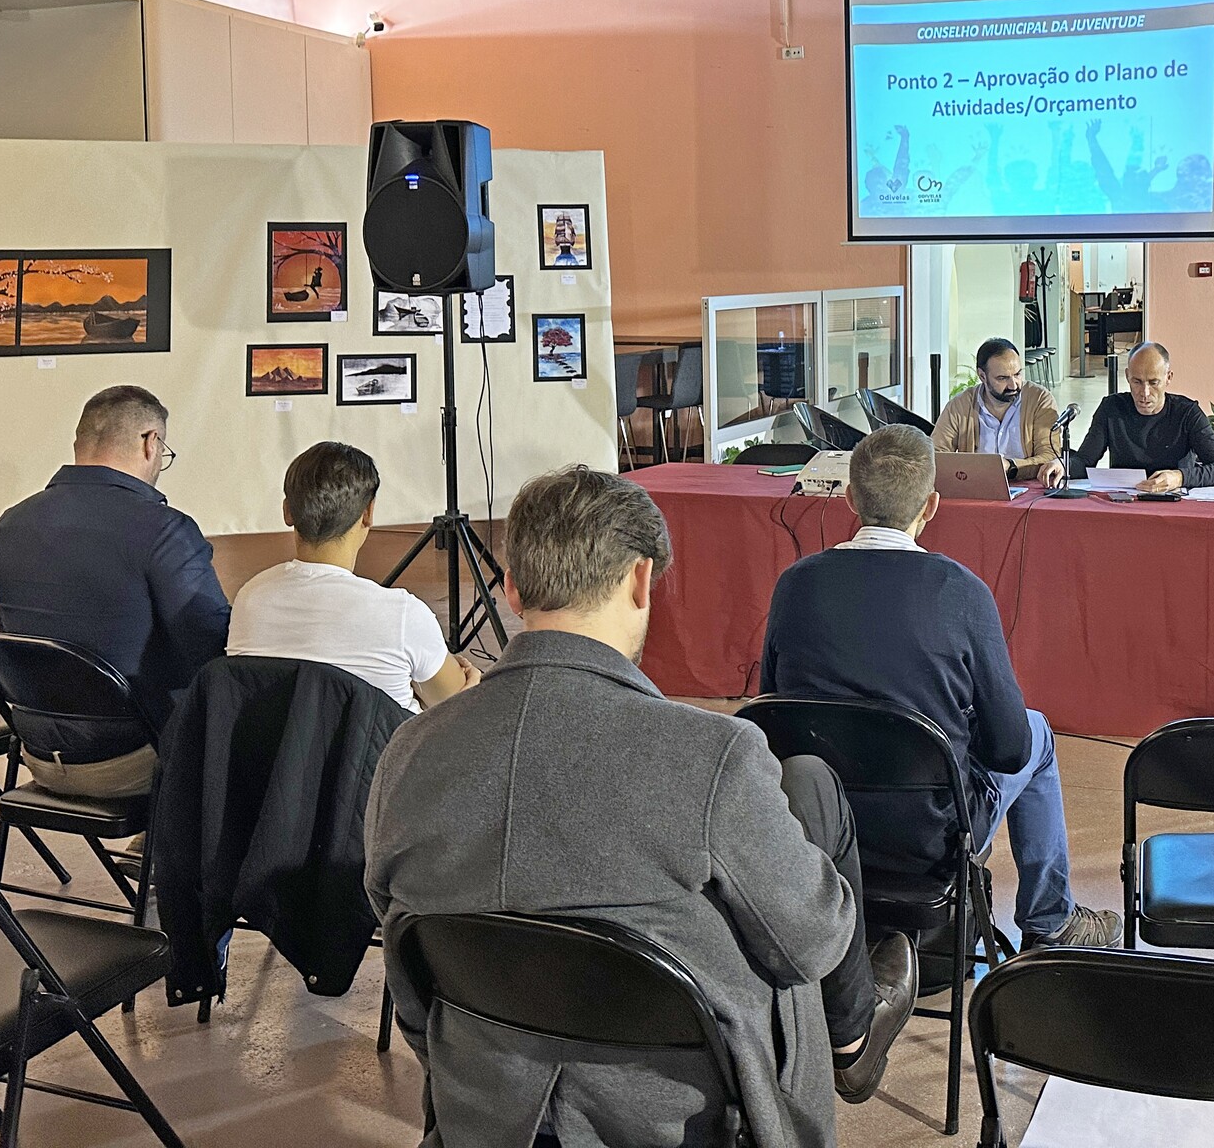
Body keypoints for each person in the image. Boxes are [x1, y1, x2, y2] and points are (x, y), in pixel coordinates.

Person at [365, 465, 917, 1148]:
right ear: (639, 579)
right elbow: (814, 940)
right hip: (684, 1117)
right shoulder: (714, 755)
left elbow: (403, 941)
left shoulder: (408, 752)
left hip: (481, 1104)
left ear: (512, 589)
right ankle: (854, 1039)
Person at [761, 426, 1119, 952]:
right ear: (931, 505)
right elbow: (1010, 748)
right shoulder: (961, 591)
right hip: (930, 834)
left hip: (816, 820)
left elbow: (774, 718)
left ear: (850, 498)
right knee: (1037, 734)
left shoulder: (794, 583)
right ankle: (1050, 921)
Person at [0, 385, 228, 794]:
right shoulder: (164, 531)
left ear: (80, 443)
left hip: (36, 754)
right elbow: (212, 646)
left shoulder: (6, 526)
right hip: (135, 758)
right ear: (151, 443)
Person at [226, 442, 476, 714]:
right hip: (386, 744)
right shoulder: (403, 616)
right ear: (368, 513)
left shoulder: (250, 599)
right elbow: (455, 705)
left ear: (287, 512)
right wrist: (473, 684)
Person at [1071, 340, 1214, 493]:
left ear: (1168, 378)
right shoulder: (1112, 408)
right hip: (1125, 502)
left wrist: (1180, 477)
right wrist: (1063, 466)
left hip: (1173, 502)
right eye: (1137, 382)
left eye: (1153, 382)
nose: (1145, 393)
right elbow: (1084, 461)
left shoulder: (1187, 413)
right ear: (1127, 376)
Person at [930, 336, 1067, 486]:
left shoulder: (1039, 399)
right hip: (975, 488)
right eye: (1002, 378)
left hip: (1029, 488)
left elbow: (1050, 455)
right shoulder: (960, 405)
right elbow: (936, 455)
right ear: (982, 376)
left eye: (1017, 374)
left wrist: (1011, 466)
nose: (1013, 385)